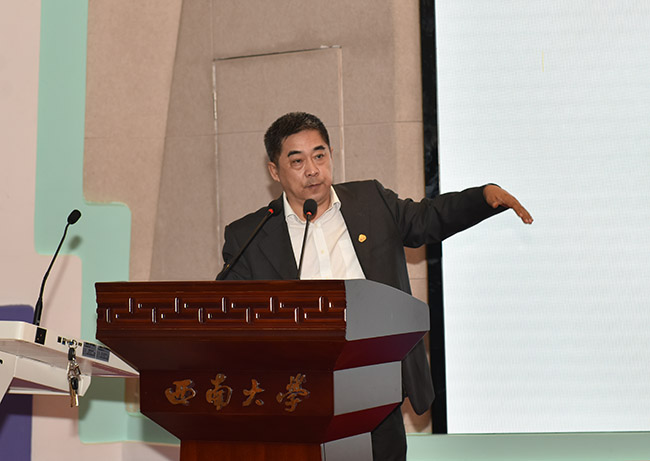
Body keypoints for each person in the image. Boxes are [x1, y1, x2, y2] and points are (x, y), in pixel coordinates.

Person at [217, 112, 533, 460]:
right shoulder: (250, 235)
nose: (313, 170)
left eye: (319, 156)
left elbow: (427, 219)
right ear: (275, 171)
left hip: (376, 386)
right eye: (297, 161)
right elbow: (228, 313)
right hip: (298, 396)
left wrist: (482, 197)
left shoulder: (370, 201)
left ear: (331, 155)